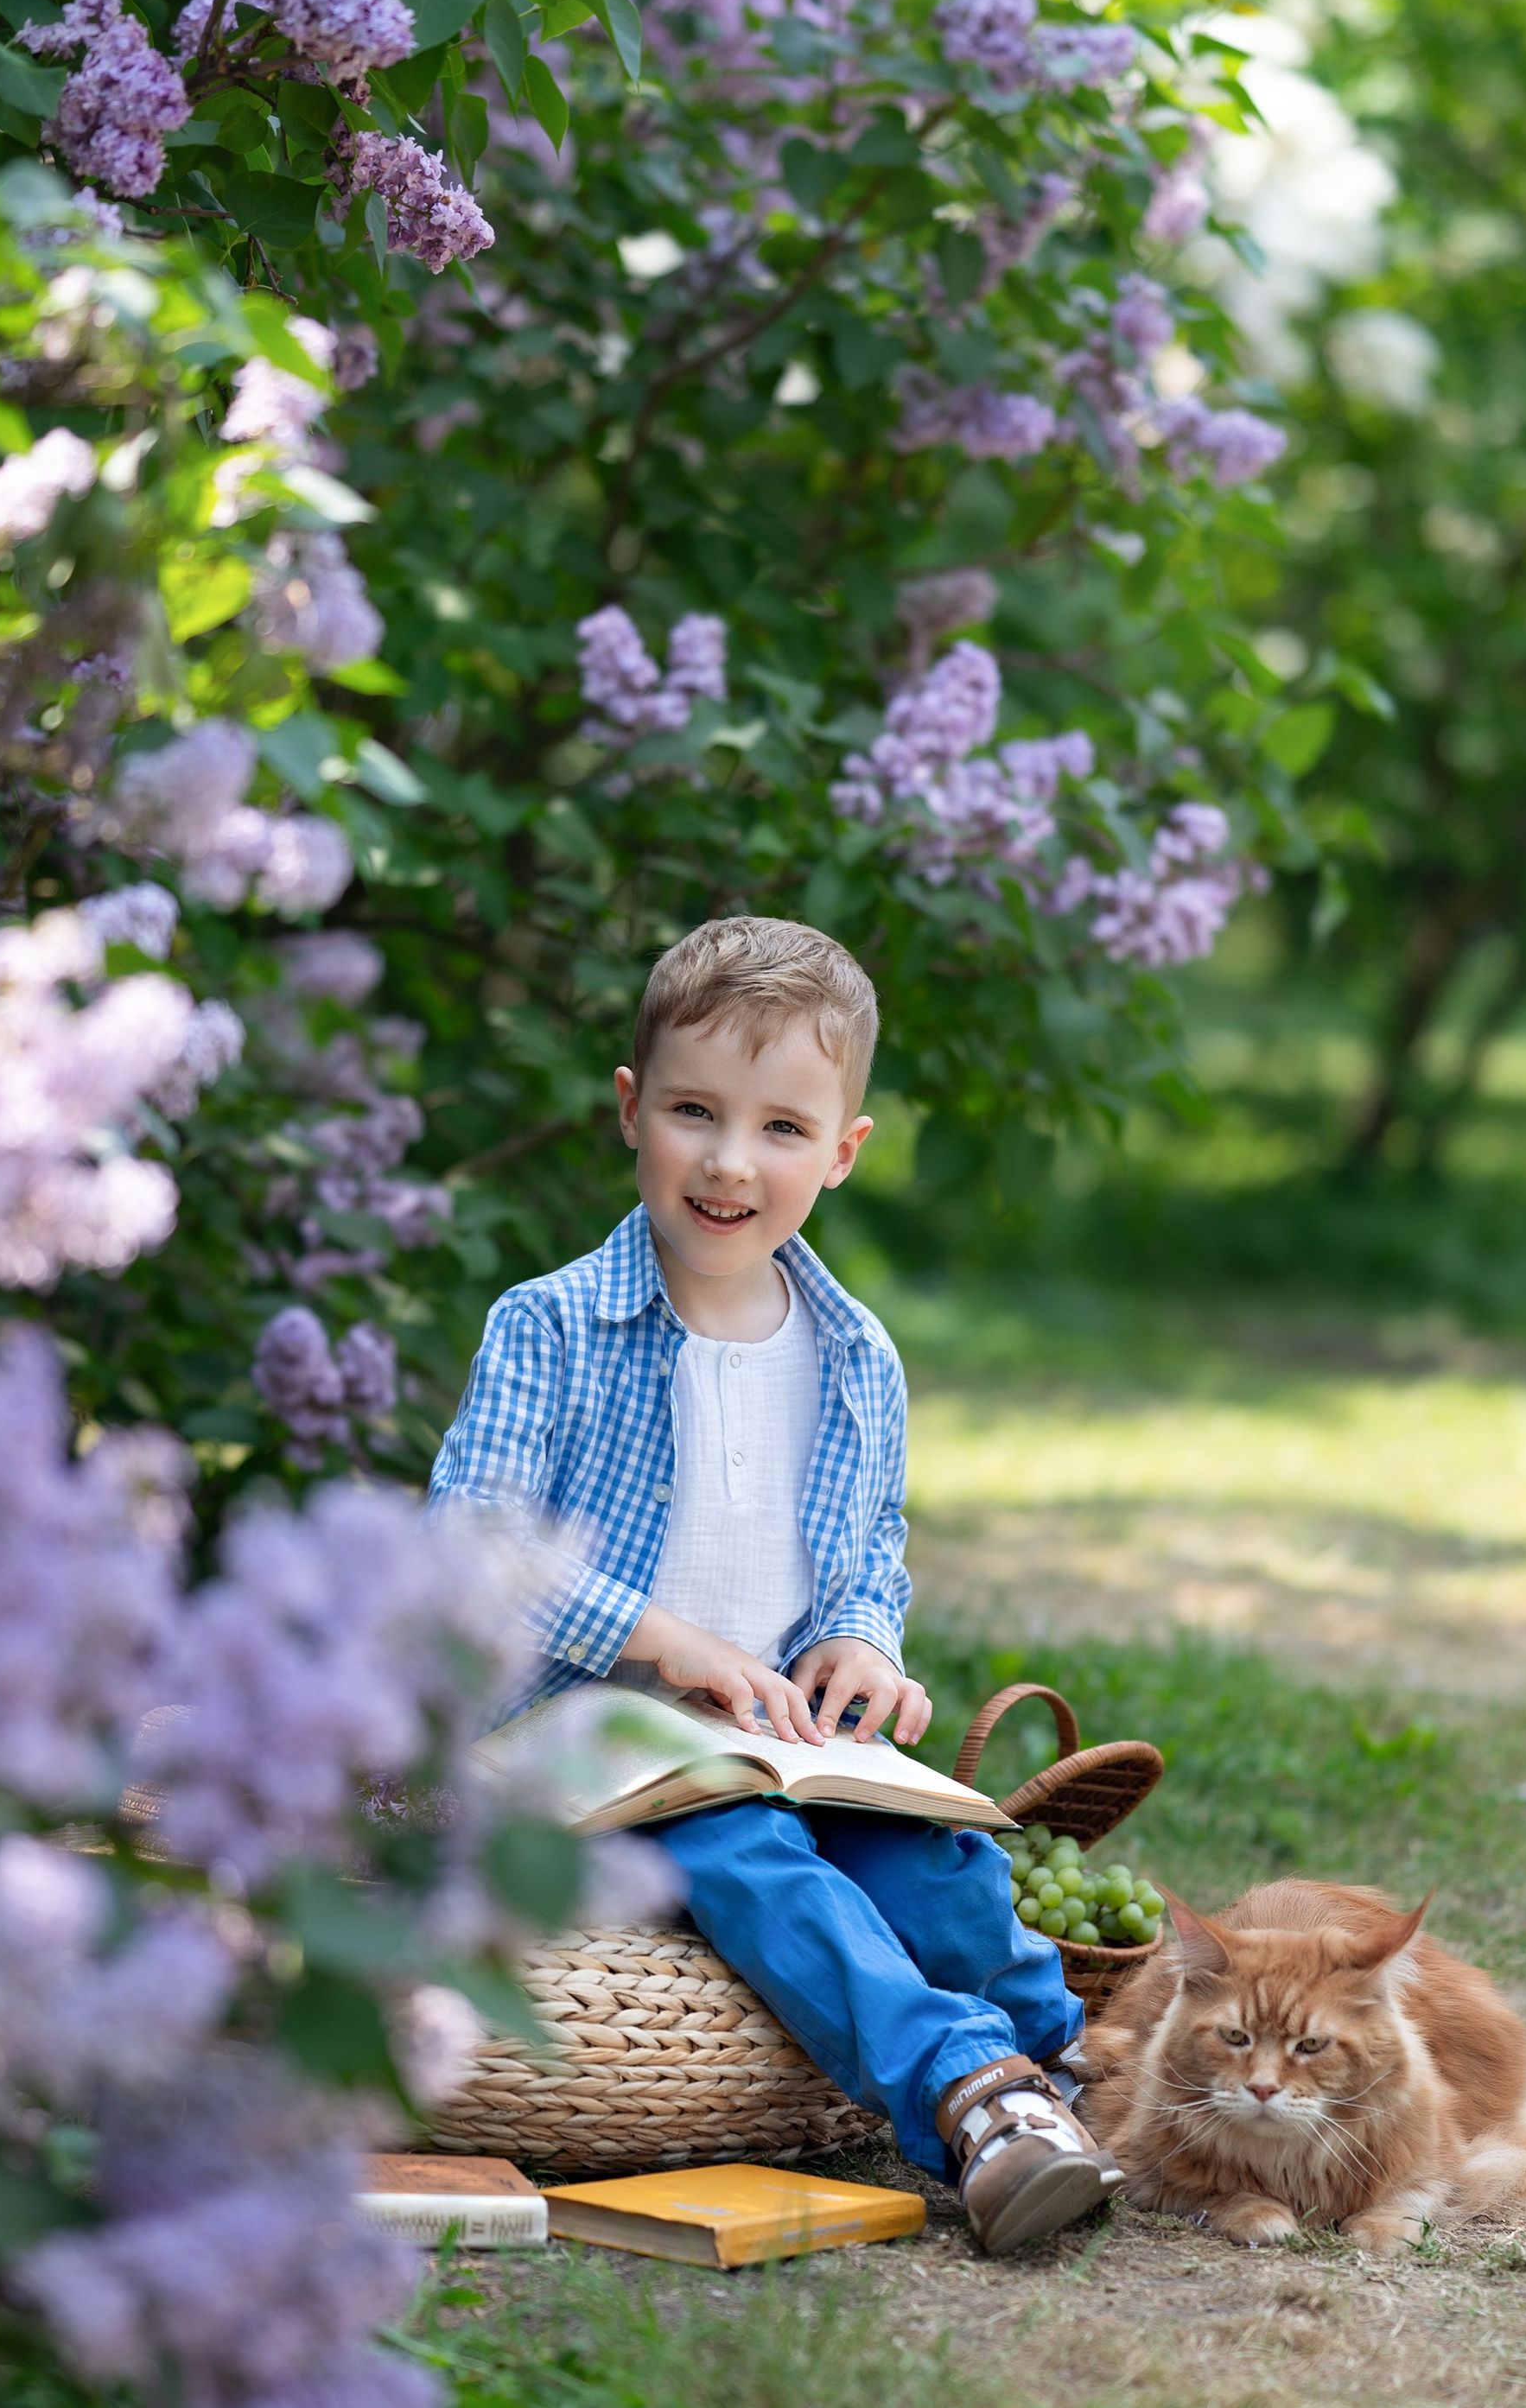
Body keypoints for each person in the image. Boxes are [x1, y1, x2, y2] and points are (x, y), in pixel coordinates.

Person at [428, 912, 1121, 2257]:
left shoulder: (858, 1357)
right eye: (695, 1111)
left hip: (777, 1742)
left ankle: (1080, 2071)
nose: (732, 1163)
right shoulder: (550, 1325)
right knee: (747, 1859)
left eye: (784, 1130)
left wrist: (865, 1640)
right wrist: (658, 1636)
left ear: (845, 1150)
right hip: (587, 1743)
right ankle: (971, 2100)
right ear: (631, 1112)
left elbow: (868, 1552)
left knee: (939, 1871)